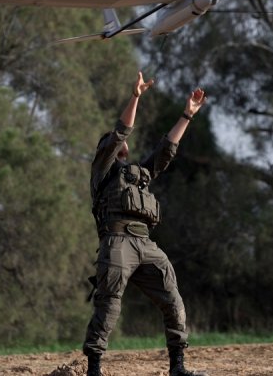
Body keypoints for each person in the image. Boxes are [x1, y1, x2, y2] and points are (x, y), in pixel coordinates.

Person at [83, 71, 208, 376]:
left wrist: (187, 115)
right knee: (109, 305)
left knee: (173, 300)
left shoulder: (138, 175)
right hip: (117, 242)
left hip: (145, 244)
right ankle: (94, 369)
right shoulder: (103, 169)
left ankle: (178, 367)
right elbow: (121, 131)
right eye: (113, 145)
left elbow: (166, 151)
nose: (120, 147)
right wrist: (136, 95)